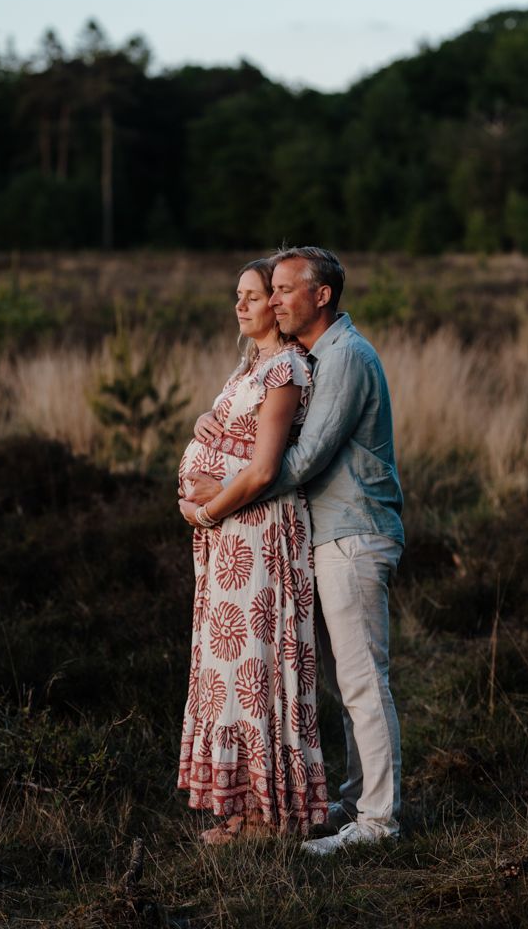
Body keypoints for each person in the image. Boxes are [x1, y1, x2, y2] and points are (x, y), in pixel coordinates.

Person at [187, 246, 404, 855]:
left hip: (353, 535)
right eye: (272, 291)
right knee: (342, 681)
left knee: (364, 680)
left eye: (284, 290)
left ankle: (380, 822)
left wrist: (226, 493)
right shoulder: (314, 357)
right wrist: (219, 427)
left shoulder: (347, 358)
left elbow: (301, 460)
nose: (274, 300)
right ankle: (358, 796)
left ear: (322, 295)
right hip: (328, 536)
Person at [177, 257, 328, 844]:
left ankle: (269, 815)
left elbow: (265, 469)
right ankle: (241, 805)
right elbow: (222, 431)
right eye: (236, 295)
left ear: (276, 305)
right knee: (227, 669)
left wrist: (209, 508)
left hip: (258, 533)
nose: (239, 306)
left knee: (255, 667)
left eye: (252, 296)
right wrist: (201, 424)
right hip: (229, 540)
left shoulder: (285, 369)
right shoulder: (249, 368)